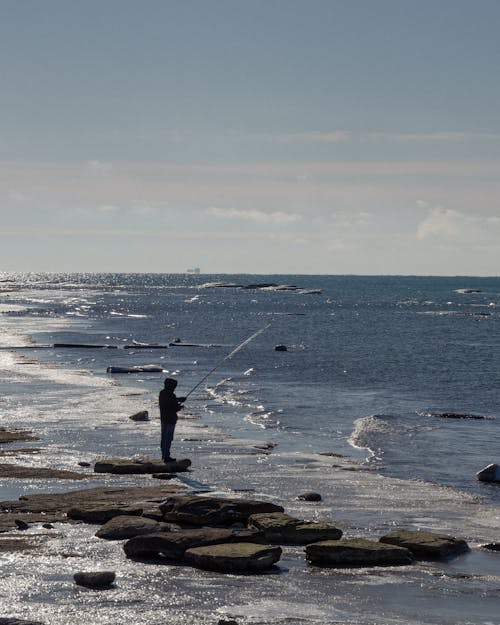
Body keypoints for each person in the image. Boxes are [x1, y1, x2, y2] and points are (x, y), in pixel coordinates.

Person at [158, 378, 186, 463]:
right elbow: (174, 408)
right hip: (170, 420)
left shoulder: (162, 393)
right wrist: (180, 406)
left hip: (164, 418)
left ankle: (164, 455)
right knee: (168, 438)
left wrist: (178, 400)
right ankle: (166, 456)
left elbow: (169, 401)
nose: (174, 388)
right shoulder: (171, 395)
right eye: (174, 386)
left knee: (164, 438)